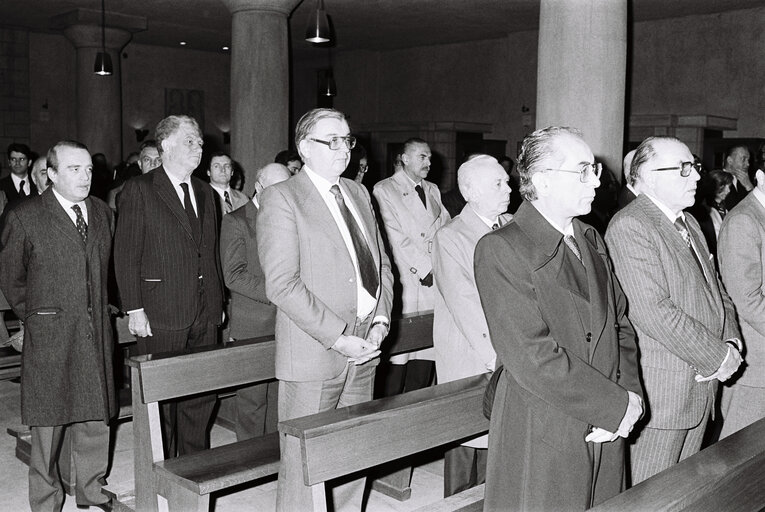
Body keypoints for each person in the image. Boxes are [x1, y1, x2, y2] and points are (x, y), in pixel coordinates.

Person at [474, 126, 643, 511]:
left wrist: (630, 397)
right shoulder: (501, 249)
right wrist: (612, 406)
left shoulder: (589, 237)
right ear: (543, 181)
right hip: (545, 423)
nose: (596, 181)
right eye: (583, 170)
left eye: (596, 170)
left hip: (607, 417)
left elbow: (621, 324)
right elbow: (533, 356)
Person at [257, 108, 393, 511]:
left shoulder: (358, 192)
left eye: (347, 139)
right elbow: (282, 284)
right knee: (304, 465)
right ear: (304, 148)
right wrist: (339, 337)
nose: (343, 149)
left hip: (365, 345)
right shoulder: (283, 197)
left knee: (352, 454)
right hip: (316, 353)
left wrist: (381, 319)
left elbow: (381, 264)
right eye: (330, 140)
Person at [606, 135, 742, 484]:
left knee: (683, 493)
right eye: (683, 169)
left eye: (694, 167)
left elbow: (717, 291)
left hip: (699, 388)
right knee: (650, 496)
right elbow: (652, 311)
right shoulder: (631, 225)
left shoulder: (689, 222)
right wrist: (717, 357)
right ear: (650, 175)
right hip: (665, 394)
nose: (696, 176)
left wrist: (732, 341)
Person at [0, 140, 116, 512]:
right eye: (73, 169)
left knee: (95, 415)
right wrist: (36, 316)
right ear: (50, 174)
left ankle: (92, 489)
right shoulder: (26, 215)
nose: (85, 177)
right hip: (50, 332)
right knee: (47, 421)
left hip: (95, 329)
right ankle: (47, 498)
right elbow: (11, 278)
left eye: (88, 170)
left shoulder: (101, 212)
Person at [114, 115, 224, 458]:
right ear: (166, 146)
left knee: (200, 392)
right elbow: (126, 253)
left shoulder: (205, 192)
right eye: (190, 141)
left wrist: (219, 299)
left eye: (200, 143)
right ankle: (159, 467)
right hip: (161, 309)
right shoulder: (141, 189)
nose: (198, 148)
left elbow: (210, 252)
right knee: (160, 396)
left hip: (205, 309)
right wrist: (134, 307)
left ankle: (191, 465)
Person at [432, 155, 511, 497]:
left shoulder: (512, 225)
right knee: (466, 449)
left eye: (507, 181)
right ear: (470, 191)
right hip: (474, 356)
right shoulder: (452, 237)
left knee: (500, 450)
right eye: (499, 183)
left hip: (509, 352)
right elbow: (466, 305)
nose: (509, 188)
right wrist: (498, 357)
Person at [373, 138, 450, 396]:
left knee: (425, 356)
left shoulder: (433, 190)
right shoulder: (385, 190)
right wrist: (425, 267)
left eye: (429, 157)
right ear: (404, 159)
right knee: (401, 358)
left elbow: (445, 230)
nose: (428, 162)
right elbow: (392, 236)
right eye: (422, 157)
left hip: (435, 280)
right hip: (410, 278)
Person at [220, 162, 291, 440]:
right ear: (259, 187)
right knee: (252, 403)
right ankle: (247, 459)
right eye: (277, 188)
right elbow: (233, 276)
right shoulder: (237, 220)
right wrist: (279, 291)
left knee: (279, 398)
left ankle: (274, 459)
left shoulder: (289, 217)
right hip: (253, 324)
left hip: (286, 322)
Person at [717, 166, 765, 438]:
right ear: (759, 175)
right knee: (740, 459)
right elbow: (746, 300)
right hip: (755, 367)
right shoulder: (743, 220)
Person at [107, 140, 161, 211]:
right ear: (140, 164)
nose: (153, 164)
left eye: (158, 160)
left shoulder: (175, 192)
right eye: (147, 160)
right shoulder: (126, 195)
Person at [720, 144, 752, 209]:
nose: (748, 164)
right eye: (743, 159)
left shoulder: (745, 182)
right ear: (730, 161)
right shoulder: (716, 181)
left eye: (748, 160)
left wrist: (750, 187)